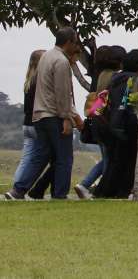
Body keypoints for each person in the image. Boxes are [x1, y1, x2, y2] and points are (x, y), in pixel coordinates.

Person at [5, 29, 84, 200]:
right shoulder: (61, 61)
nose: (76, 45)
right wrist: (66, 118)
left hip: (39, 115)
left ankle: (18, 190)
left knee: (40, 155)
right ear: (69, 42)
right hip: (55, 115)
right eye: (75, 42)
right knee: (64, 157)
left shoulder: (46, 57)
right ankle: (60, 194)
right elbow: (62, 93)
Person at [76, 45, 125, 198]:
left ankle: (86, 184)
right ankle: (96, 187)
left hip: (98, 120)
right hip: (107, 121)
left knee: (107, 159)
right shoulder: (114, 77)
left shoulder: (101, 74)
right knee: (110, 160)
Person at [96, 49, 138, 199]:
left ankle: (104, 192)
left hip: (110, 124)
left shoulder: (114, 79)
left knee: (114, 161)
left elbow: (99, 104)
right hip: (126, 125)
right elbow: (129, 103)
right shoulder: (133, 81)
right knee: (125, 162)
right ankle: (118, 192)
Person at [9, 50, 45, 195]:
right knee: (38, 158)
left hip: (26, 123)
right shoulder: (41, 81)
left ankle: (16, 186)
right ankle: (22, 187)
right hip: (37, 123)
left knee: (26, 157)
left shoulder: (28, 81)